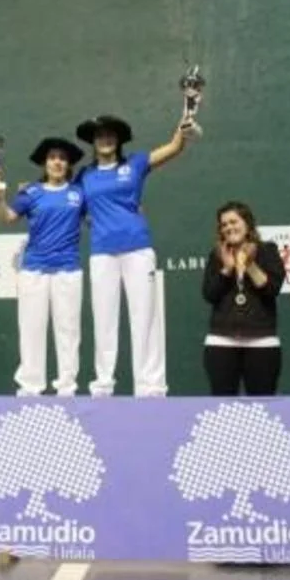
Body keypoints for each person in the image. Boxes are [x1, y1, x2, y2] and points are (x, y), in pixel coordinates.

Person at [73, 112, 192, 396]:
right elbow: (71, 206)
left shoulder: (135, 163)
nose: (105, 139)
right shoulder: (84, 176)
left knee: (145, 318)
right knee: (104, 320)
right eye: (100, 135)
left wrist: (184, 123)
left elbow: (173, 147)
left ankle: (150, 386)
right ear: (93, 141)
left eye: (110, 134)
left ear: (118, 140)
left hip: (137, 249)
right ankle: (103, 386)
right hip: (102, 253)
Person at [0, 137, 87, 396]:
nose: (57, 162)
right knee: (31, 330)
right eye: (52, 157)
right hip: (34, 271)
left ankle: (67, 388)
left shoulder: (79, 193)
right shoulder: (31, 192)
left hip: (68, 271)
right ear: (45, 163)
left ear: (68, 165)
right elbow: (7, 217)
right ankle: (30, 387)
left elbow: (94, 219)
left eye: (62, 158)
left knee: (68, 332)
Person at [200, 201, 286, 396]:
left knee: (262, 407)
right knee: (223, 407)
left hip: (262, 342)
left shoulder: (267, 250)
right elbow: (209, 294)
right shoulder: (217, 255)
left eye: (234, 222)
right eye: (224, 224)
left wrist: (249, 264)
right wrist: (227, 268)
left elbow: (272, 289)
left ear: (247, 224)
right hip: (221, 342)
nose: (229, 228)